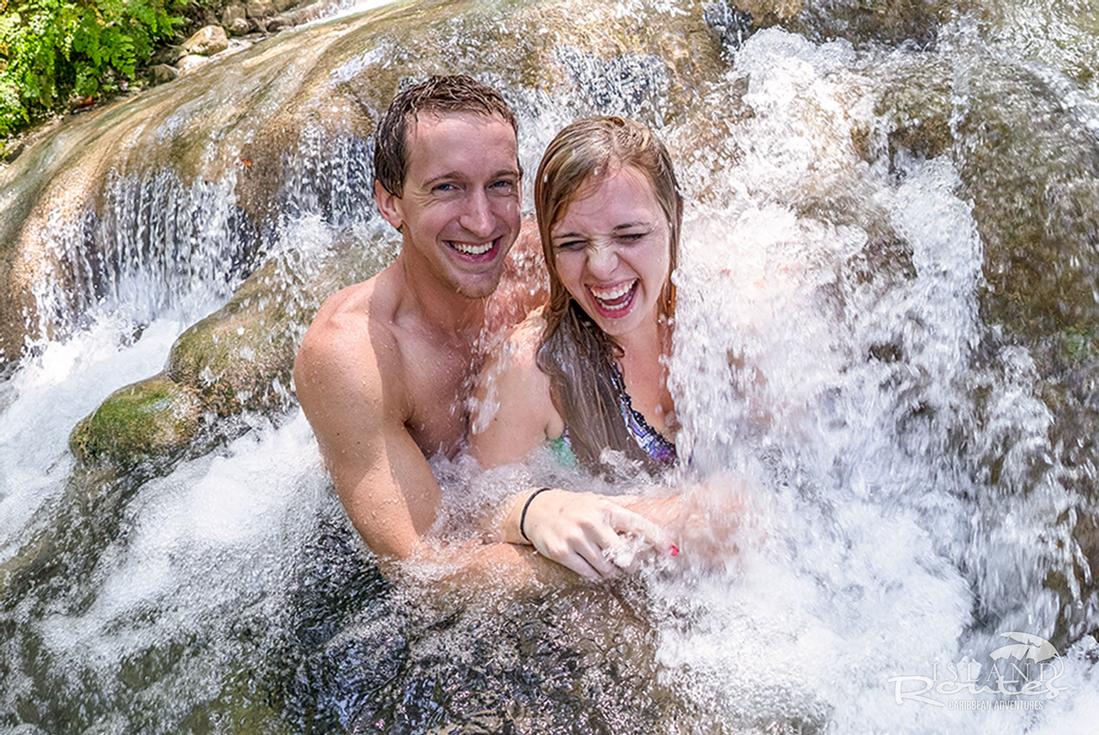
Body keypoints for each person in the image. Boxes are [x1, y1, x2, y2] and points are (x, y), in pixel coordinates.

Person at [294, 77, 663, 584]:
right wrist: (585, 530)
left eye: (500, 185)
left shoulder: (545, 263)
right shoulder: (356, 355)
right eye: (448, 187)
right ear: (390, 203)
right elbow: (427, 571)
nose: (483, 221)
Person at [470, 116, 685, 580]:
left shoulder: (720, 319)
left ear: (675, 220)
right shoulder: (531, 371)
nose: (602, 267)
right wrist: (530, 511)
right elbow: (468, 512)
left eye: (630, 235)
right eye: (572, 243)